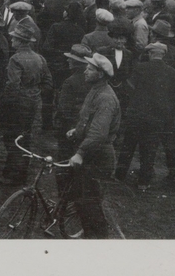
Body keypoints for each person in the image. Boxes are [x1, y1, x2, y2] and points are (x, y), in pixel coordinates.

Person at [66, 53, 121, 239]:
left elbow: (99, 133)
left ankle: (96, 239)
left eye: (90, 69)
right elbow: (89, 119)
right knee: (83, 199)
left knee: (90, 202)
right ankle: (88, 232)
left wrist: (80, 153)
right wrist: (77, 130)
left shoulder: (105, 97)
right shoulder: (95, 90)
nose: (85, 70)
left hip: (98, 156)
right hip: (92, 151)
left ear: (100, 74)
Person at [116, 42, 175, 186]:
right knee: (149, 148)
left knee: (128, 146)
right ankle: (144, 182)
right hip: (158, 117)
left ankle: (119, 176)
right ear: (163, 55)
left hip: (136, 113)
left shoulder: (140, 68)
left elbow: (128, 88)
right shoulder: (172, 72)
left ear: (150, 54)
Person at [0, 19, 53, 185]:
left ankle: (14, 176)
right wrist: (34, 93)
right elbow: (48, 83)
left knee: (13, 138)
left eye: (14, 38)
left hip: (17, 104)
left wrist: (6, 105)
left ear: (20, 41)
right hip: (33, 103)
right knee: (26, 138)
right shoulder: (40, 58)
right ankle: (18, 172)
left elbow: (13, 85)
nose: (12, 41)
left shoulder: (15, 59)